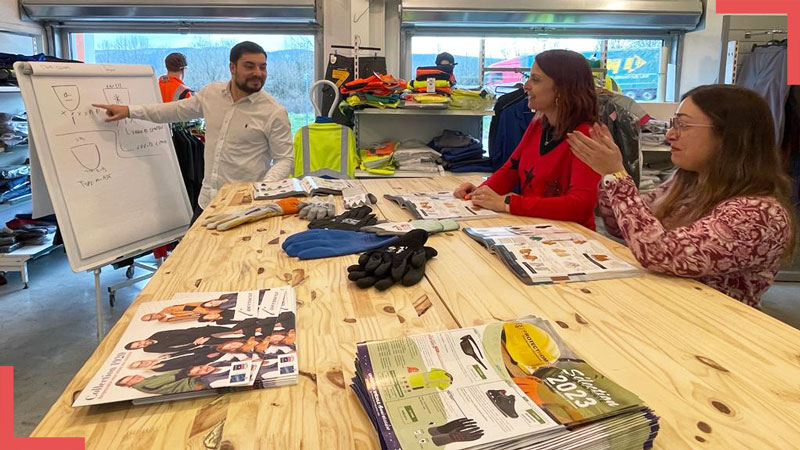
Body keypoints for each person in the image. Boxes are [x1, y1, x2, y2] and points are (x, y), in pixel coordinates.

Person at [568, 84, 796, 307]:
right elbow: (620, 226)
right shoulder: (687, 183)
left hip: (716, 331)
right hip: (667, 310)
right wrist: (607, 174)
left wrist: (615, 175)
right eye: (673, 124)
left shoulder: (760, 214)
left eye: (683, 125)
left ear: (729, 136)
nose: (669, 134)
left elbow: (658, 253)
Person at [94, 41, 293, 220]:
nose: (258, 73)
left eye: (263, 67)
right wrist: (129, 111)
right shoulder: (212, 94)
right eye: (249, 66)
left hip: (244, 207)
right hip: (206, 201)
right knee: (192, 259)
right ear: (232, 67)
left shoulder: (274, 112)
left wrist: (263, 189)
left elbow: (285, 159)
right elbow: (174, 111)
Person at [454, 49, 601, 230]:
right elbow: (511, 169)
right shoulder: (539, 123)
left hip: (572, 238)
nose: (526, 86)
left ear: (563, 89)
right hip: (533, 228)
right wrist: (482, 192)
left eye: (536, 80)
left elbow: (580, 206)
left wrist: (507, 203)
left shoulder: (588, 135)